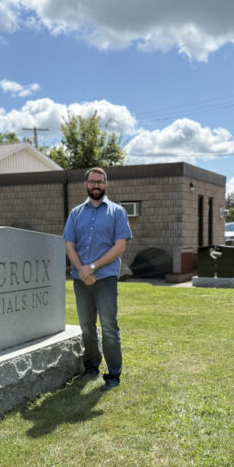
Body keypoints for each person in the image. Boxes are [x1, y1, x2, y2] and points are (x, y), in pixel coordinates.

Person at [64, 167, 132, 391]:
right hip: (80, 279)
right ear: (85, 184)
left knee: (109, 326)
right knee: (86, 326)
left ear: (106, 184)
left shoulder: (117, 212)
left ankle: (113, 375)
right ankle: (91, 367)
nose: (96, 185)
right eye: (92, 181)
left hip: (105, 278)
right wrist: (82, 270)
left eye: (100, 182)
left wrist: (92, 267)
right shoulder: (75, 213)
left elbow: (120, 246)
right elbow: (69, 245)